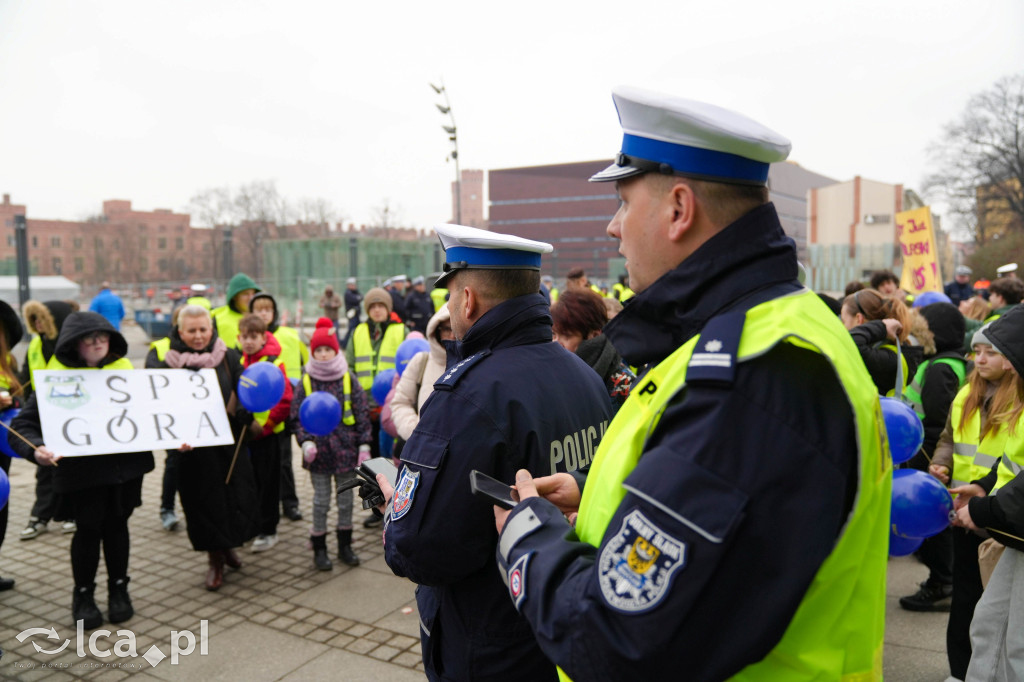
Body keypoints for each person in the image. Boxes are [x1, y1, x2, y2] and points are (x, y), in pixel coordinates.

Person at [490, 87, 889, 681]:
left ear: (679, 209)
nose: (612, 227)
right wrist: (596, 495)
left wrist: (525, 536)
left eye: (624, 202)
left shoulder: (753, 376)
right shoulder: (768, 332)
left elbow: (614, 642)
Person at [376, 223, 614, 681]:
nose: (447, 307)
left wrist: (395, 513)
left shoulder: (465, 394)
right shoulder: (583, 374)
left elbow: (419, 549)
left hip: (489, 642)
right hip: (557, 624)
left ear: (468, 300)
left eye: (448, 296)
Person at [12, 312, 154, 628]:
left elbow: (157, 415)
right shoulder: (56, 380)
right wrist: (37, 450)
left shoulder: (126, 373)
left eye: (102, 338)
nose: (96, 344)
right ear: (75, 344)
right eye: (89, 339)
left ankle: (120, 590)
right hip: (83, 477)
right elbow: (22, 426)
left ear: (111, 341)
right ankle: (83, 594)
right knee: (88, 532)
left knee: (118, 529)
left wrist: (180, 438)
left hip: (124, 472)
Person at [145, 305, 258, 591]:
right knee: (203, 504)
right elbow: (154, 402)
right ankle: (214, 559)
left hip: (226, 444)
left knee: (234, 497)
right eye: (191, 330)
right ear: (180, 331)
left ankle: (229, 547)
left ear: (212, 329)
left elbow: (245, 387)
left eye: (203, 330)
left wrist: (246, 411)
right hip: (190, 449)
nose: (198, 336)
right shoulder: (163, 359)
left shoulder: (228, 355)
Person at [929, 323, 1019, 680]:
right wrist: (942, 461)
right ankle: (960, 672)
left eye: (990, 351)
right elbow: (951, 438)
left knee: (1002, 616)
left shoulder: (1018, 400)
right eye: (975, 352)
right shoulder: (966, 393)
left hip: (1004, 521)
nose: (980, 359)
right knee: (968, 603)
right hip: (969, 512)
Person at [899, 303, 967, 612]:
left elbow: (938, 419)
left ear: (933, 334)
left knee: (935, 524)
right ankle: (943, 580)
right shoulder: (940, 362)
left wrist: (925, 457)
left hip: (927, 455)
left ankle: (942, 583)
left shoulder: (941, 366)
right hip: (927, 453)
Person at [290, 318, 372, 570]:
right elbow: (296, 417)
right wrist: (304, 443)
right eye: (318, 351)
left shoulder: (348, 378)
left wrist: (364, 446)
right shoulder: (306, 381)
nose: (323, 355)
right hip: (318, 454)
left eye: (328, 350)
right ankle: (319, 547)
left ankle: (345, 545)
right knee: (320, 501)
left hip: (346, 453)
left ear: (335, 351)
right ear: (313, 352)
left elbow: (361, 413)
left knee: (346, 501)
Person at [17, 299, 79, 540]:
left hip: (68, 415)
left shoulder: (70, 347)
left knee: (69, 465)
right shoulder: (34, 344)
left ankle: (71, 513)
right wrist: (24, 403)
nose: (38, 324)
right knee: (44, 468)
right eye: (34, 319)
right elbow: (26, 373)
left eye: (42, 318)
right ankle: (40, 515)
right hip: (41, 414)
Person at [250, 292, 309, 522]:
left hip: (285, 407)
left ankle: (290, 503)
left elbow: (306, 361)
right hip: (258, 415)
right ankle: (265, 506)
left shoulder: (289, 335)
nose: (264, 313)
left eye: (268, 309)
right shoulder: (249, 338)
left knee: (284, 460)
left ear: (274, 312)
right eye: (259, 309)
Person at [238, 313, 293, 553]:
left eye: (254, 337)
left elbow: (284, 399)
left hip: (268, 436)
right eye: (244, 337)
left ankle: (269, 530)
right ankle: (252, 526)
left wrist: (266, 424)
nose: (248, 341)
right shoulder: (239, 361)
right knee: (250, 482)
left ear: (263, 338)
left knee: (268, 484)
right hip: (245, 436)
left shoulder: (274, 363)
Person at [551, 288, 635, 413]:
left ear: (594, 336)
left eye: (567, 336)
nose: (555, 343)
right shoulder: (551, 374)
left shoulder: (625, 386)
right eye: (553, 334)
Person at [387, 307, 452, 442]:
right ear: (436, 330)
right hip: (422, 453)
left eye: (455, 328)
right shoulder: (421, 361)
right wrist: (416, 432)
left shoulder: (477, 363)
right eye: (446, 329)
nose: (452, 336)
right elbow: (400, 402)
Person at [840, 288, 914, 395]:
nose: (842, 327)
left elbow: (849, 342)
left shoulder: (887, 357)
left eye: (843, 321)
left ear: (858, 319)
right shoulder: (882, 349)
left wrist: (882, 327)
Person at [0, 299, 24, 591]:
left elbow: (21, 405)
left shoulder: (8, 364)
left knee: (1, 514)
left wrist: (11, 401)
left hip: (2, 462)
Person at [962, 276, 1024, 350]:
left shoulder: (1001, 320)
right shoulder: (1010, 315)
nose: (989, 298)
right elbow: (979, 325)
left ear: (1000, 298)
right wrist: (957, 316)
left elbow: (969, 339)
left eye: (992, 295)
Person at [211, 272, 260, 349]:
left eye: (253, 294)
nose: (251, 298)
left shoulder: (260, 316)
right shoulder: (217, 319)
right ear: (235, 297)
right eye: (245, 294)